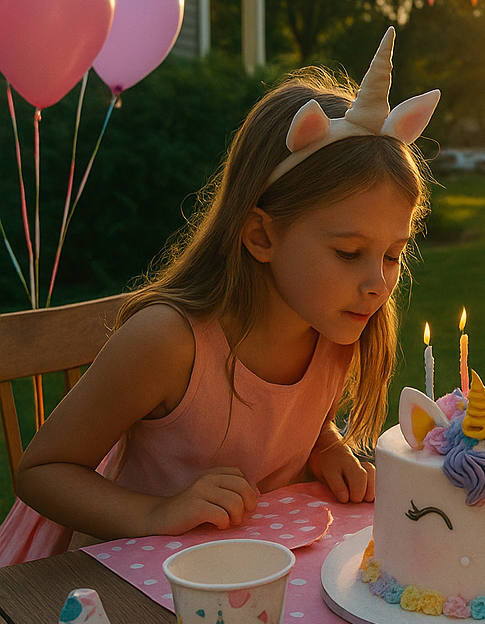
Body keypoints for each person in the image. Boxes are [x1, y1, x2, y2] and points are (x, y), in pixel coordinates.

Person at [0, 28, 438, 565]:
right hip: (123, 591)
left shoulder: (332, 327)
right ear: (261, 235)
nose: (378, 282)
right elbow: (42, 473)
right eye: (349, 252)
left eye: (392, 254)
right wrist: (157, 514)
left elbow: (280, 418)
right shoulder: (168, 342)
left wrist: (326, 450)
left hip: (242, 580)